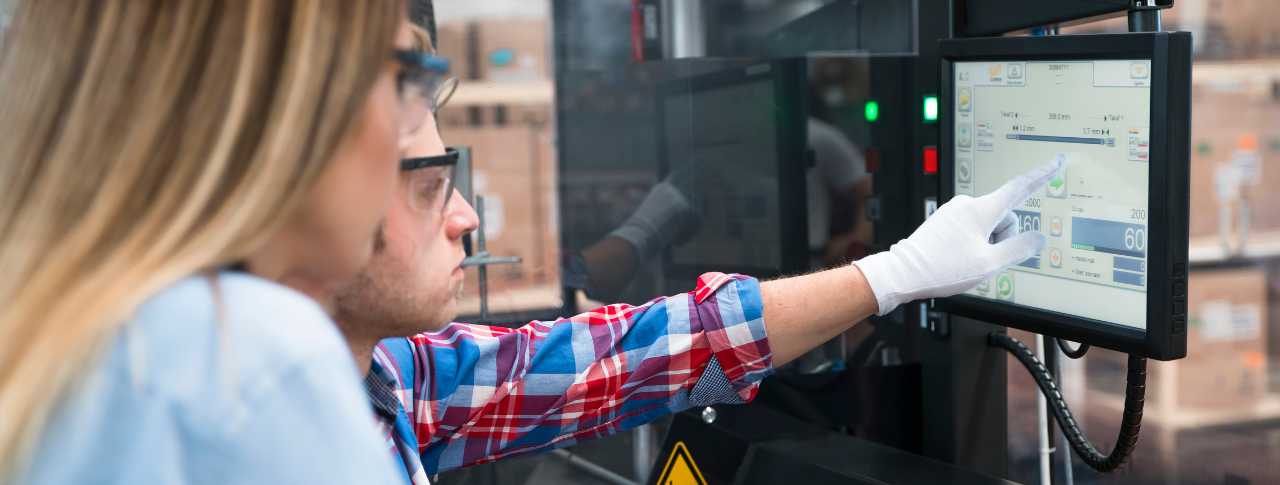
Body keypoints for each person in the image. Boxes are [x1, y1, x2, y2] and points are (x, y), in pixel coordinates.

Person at [330, 22, 1069, 484]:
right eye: (429, 187)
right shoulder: (283, 443)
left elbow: (624, 357)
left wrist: (893, 273)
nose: (464, 215)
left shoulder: (395, 378)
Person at [0, 1, 438, 483]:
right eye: (401, 82)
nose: (404, 134)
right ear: (295, 102)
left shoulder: (61, 338)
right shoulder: (252, 359)